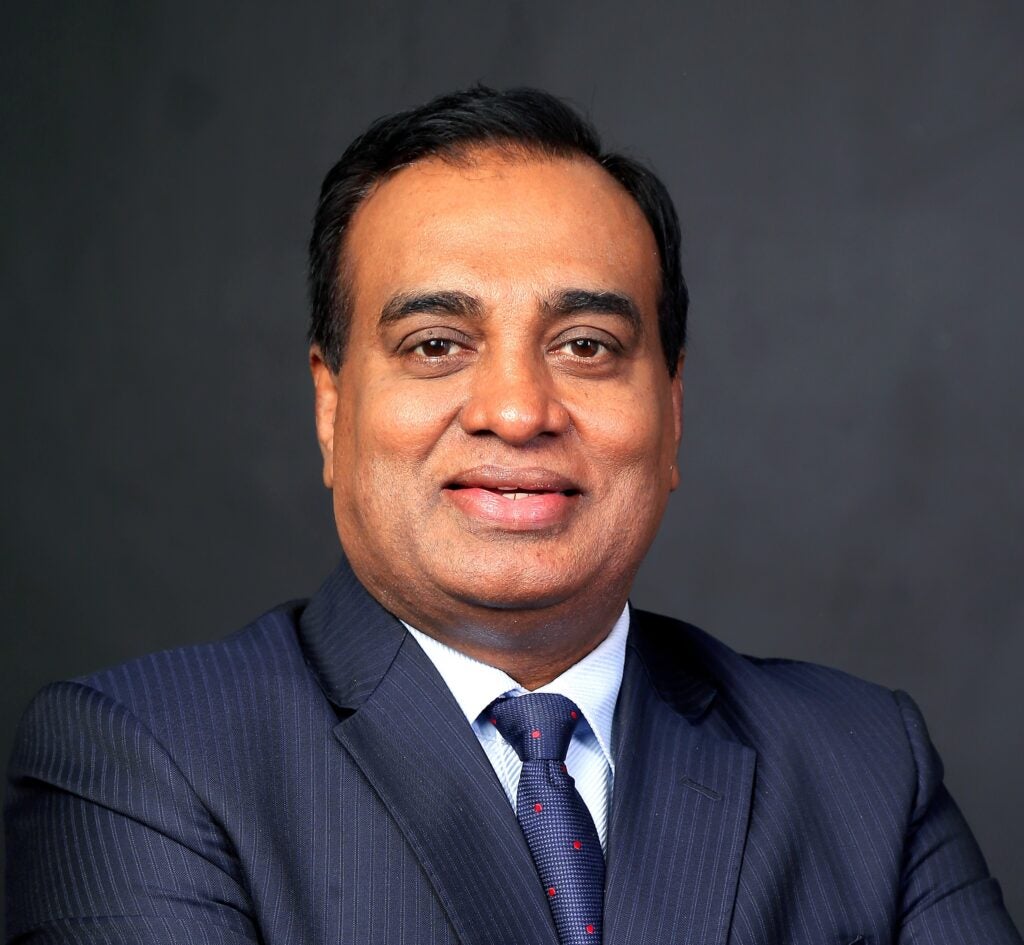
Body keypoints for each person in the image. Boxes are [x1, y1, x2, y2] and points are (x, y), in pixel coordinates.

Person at [5, 86, 1020, 945]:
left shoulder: (862, 764)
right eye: (436, 344)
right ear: (331, 407)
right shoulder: (146, 761)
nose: (517, 411)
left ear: (671, 410)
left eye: (585, 346)